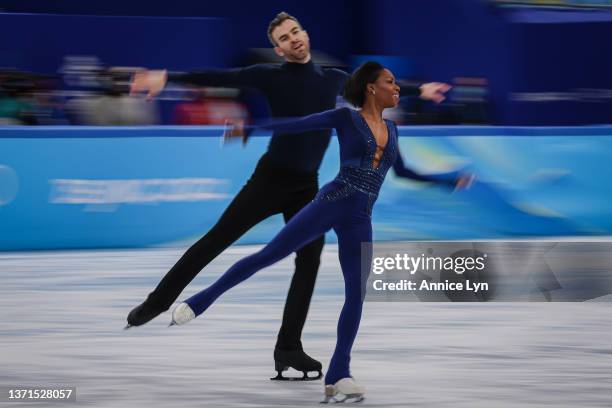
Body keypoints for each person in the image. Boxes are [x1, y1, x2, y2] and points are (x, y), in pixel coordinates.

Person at [127, 11, 452, 380]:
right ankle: (158, 301)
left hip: (307, 185)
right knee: (218, 239)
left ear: (306, 34)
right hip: (270, 180)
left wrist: (420, 90)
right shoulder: (268, 75)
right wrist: (167, 76)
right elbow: (219, 76)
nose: (292, 38)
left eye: (295, 31)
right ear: (279, 50)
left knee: (308, 263)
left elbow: (374, 89)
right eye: (283, 38)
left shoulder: (335, 79)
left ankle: (288, 347)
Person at [168, 61, 473, 402]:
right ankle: (201, 300)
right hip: (331, 201)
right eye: (391, 82)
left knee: (356, 292)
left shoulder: (394, 130)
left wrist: (448, 179)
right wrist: (251, 128)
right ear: (371, 88)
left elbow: (404, 172)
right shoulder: (346, 119)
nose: (397, 88)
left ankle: (339, 373)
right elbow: (295, 125)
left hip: (361, 217)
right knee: (270, 254)